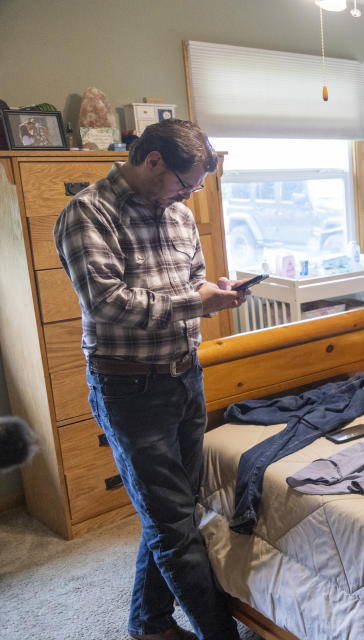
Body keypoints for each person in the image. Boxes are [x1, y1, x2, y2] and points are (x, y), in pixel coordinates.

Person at [54, 119, 245, 640]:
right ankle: (219, 633)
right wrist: (195, 302)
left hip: (186, 377)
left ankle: (149, 624)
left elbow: (190, 283)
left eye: (197, 187)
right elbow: (107, 304)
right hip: (130, 388)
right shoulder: (88, 214)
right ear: (153, 160)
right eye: (184, 183)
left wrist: (217, 291)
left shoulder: (180, 217)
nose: (188, 195)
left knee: (173, 511)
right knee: (173, 524)